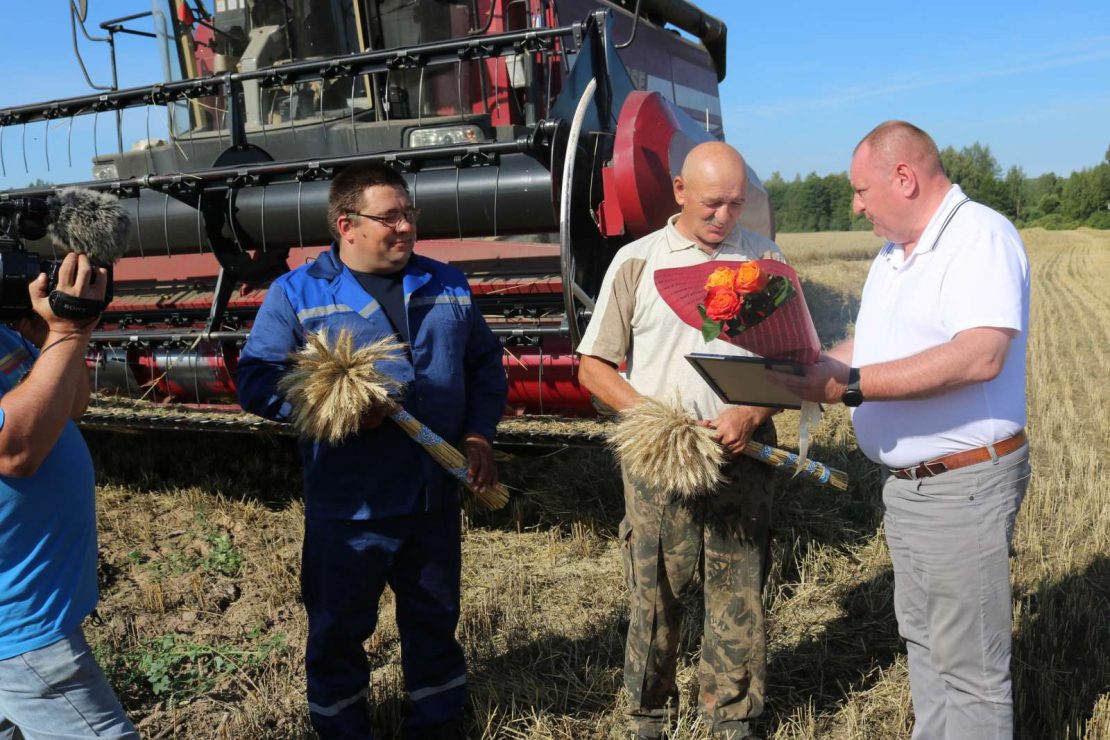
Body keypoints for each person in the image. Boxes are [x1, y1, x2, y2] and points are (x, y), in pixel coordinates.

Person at [769, 120, 1030, 739]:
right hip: (909, 486)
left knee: (969, 671)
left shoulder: (978, 237)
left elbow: (980, 355)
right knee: (925, 645)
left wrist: (849, 386)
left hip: (962, 485)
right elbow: (868, 349)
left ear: (904, 178)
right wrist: (807, 370)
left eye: (861, 190)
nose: (856, 205)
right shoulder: (894, 255)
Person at [237, 162, 507, 739]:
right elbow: (256, 382)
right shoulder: (296, 294)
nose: (406, 226)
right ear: (347, 225)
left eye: (409, 214)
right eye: (391, 217)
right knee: (338, 630)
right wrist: (339, 406)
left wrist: (479, 434)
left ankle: (436, 726)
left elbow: (484, 363)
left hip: (432, 499)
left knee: (435, 622)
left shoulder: (446, 284)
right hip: (350, 507)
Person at [576, 141, 783, 740]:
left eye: (735, 204)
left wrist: (751, 413)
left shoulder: (765, 260)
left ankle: (731, 716)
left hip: (742, 453)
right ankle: (647, 713)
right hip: (658, 458)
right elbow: (593, 366)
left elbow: (794, 363)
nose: (724, 216)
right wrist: (656, 423)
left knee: (740, 588)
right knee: (656, 590)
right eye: (712, 203)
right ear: (679, 190)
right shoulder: (637, 261)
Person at [0, 254, 138, 738]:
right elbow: (15, 450)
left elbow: (70, 403)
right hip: (18, 627)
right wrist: (67, 329)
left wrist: (59, 334)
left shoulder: (6, 335)